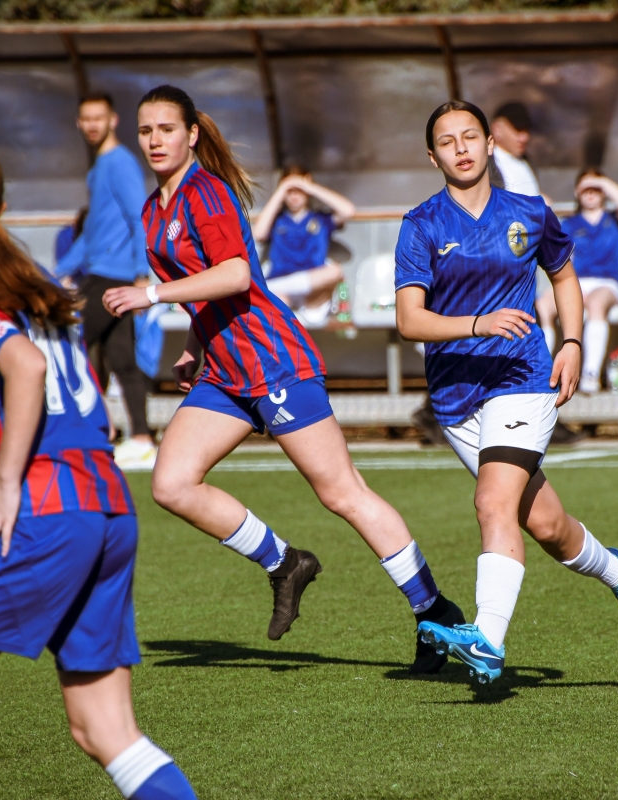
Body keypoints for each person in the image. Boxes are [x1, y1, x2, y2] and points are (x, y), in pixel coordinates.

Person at [101, 85, 464, 673]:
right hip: (225, 372)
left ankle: (435, 611)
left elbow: (238, 274)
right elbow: (207, 287)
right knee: (171, 483)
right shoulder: (153, 208)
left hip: (272, 362)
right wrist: (196, 345)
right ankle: (285, 563)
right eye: (145, 131)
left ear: (192, 133)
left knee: (341, 492)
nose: (154, 141)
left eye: (166, 129)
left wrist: (152, 294)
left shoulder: (207, 192)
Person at [0, 137, 197, 800]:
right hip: (109, 508)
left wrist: (3, 487)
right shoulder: (30, 281)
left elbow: (24, 367)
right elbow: (90, 407)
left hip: (45, 509)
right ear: (0, 202)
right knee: (104, 731)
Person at [394, 101, 618, 685]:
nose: (461, 148)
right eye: (447, 141)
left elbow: (563, 274)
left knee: (493, 505)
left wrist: (570, 341)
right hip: (455, 399)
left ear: (492, 144)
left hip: (521, 381)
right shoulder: (421, 225)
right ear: (432, 156)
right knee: (546, 526)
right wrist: (476, 324)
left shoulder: (531, 212)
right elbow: (409, 321)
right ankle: (617, 573)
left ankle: (487, 639)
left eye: (471, 136)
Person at [56, 93, 156, 470]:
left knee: (66, 342)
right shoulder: (98, 168)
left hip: (114, 278)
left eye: (99, 117)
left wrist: (141, 273)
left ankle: (94, 430)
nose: (93, 125)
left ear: (113, 120)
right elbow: (91, 235)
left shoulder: (120, 163)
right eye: (87, 119)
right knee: (122, 361)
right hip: (100, 272)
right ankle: (143, 439)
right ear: (79, 124)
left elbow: (138, 217)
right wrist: (55, 270)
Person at [537, 169, 618, 393]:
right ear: (577, 192)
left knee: (596, 304)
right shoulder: (569, 225)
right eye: (585, 189)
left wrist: (600, 181)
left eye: (596, 190)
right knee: (543, 305)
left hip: (606, 283)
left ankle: (589, 374)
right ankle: (542, 370)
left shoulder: (614, 221)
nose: (590, 194)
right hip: (577, 282)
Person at [251, 166, 354, 328]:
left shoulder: (320, 219)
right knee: (278, 302)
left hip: (312, 296)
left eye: (298, 190)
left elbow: (348, 211)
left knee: (335, 271)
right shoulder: (277, 220)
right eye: (289, 191)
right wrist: (281, 190)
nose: (294, 195)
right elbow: (258, 234)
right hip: (280, 287)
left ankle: (296, 304)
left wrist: (309, 187)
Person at [490, 101, 540, 197]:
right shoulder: (484, 166)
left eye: (527, 130)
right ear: (497, 129)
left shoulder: (528, 162)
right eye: (518, 130)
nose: (524, 137)